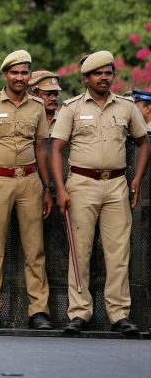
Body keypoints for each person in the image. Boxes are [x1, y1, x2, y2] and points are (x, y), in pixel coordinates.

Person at [50, 51, 149, 336]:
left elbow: (144, 144)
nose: (104, 78)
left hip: (117, 184)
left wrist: (137, 178)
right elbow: (56, 149)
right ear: (86, 78)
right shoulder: (71, 108)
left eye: (108, 73)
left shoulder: (126, 107)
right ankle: (79, 313)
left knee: (119, 252)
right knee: (79, 251)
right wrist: (59, 188)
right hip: (81, 183)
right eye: (98, 74)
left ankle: (119, 314)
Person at [0, 50, 53, 330]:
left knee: (35, 249)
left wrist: (47, 187)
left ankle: (38, 311)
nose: (19, 78)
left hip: (29, 181)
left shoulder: (37, 107)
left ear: (29, 76)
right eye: (14, 73)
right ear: (5, 75)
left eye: (24, 73)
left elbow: (41, 149)